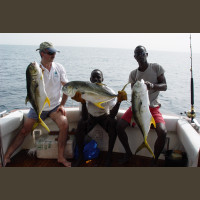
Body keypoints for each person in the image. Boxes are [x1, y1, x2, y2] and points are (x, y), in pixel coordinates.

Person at [3, 42, 71, 167]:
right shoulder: (35, 70)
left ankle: (61, 157)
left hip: (54, 106)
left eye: (54, 52)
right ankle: (6, 156)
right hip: (37, 106)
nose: (53, 55)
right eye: (50, 52)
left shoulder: (59, 67)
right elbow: (31, 89)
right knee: (24, 130)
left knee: (64, 124)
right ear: (42, 53)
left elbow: (66, 88)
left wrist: (62, 104)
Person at [117, 45, 167, 166]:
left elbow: (164, 86)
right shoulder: (133, 74)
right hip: (137, 107)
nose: (140, 56)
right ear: (135, 57)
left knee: (163, 132)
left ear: (146, 54)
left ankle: (154, 161)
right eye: (137, 54)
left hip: (153, 107)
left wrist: (153, 86)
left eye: (142, 53)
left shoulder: (156, 67)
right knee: (119, 126)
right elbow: (135, 93)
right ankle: (128, 153)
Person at [71, 69, 127, 167]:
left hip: (104, 116)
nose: (96, 79)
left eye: (98, 77)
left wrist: (119, 101)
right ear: (90, 79)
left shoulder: (108, 91)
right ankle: (80, 157)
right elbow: (84, 117)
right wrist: (83, 102)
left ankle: (109, 156)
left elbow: (112, 114)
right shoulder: (83, 91)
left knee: (114, 123)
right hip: (90, 116)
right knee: (80, 125)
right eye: (94, 77)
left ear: (102, 79)